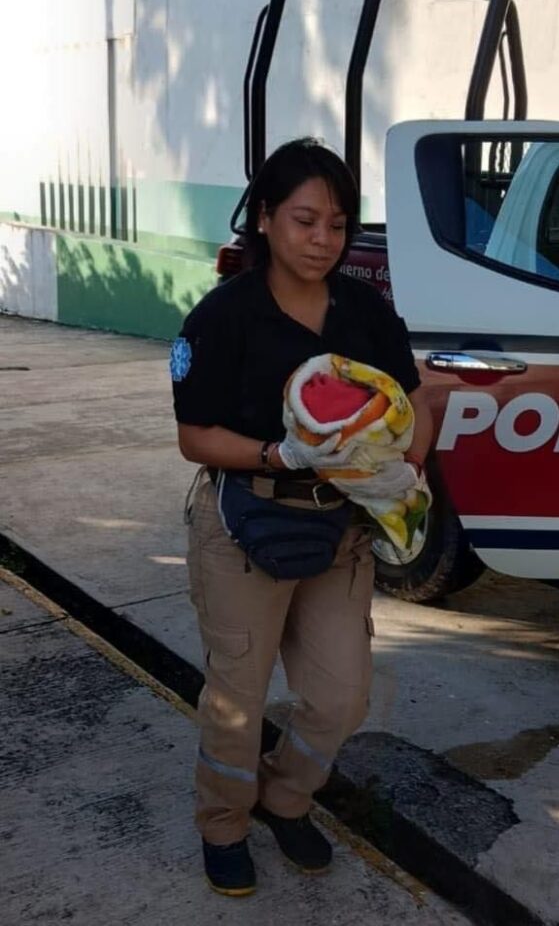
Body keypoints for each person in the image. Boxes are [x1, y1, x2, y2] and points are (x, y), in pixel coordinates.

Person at [170, 137, 433, 897]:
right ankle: (223, 821)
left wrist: (404, 464)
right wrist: (281, 455)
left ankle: (285, 799)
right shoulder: (223, 316)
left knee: (339, 696)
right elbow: (195, 438)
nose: (322, 240)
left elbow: (410, 399)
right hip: (242, 525)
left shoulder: (365, 309)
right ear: (265, 220)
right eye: (304, 220)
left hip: (337, 527)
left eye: (338, 224)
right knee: (236, 700)